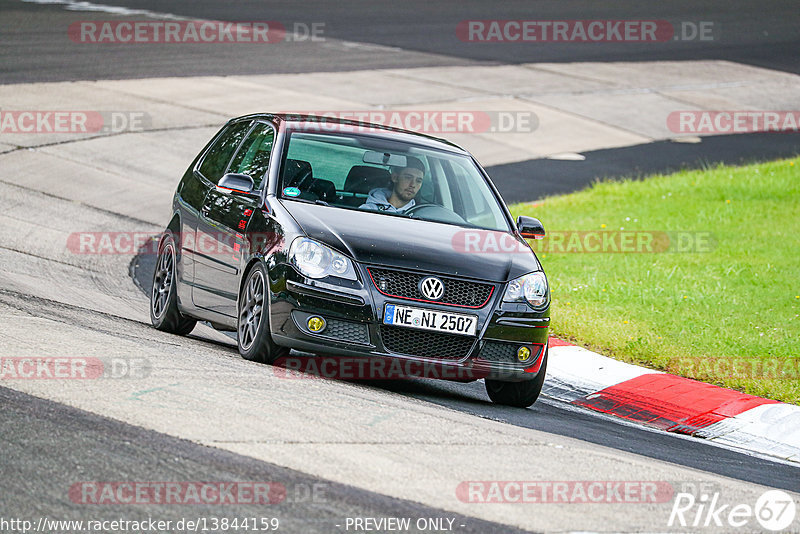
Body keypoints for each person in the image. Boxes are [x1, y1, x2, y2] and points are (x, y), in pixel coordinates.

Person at [359, 156, 425, 213]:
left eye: (418, 181)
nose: (413, 184)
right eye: (408, 177)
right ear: (395, 177)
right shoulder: (367, 210)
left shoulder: (421, 215)